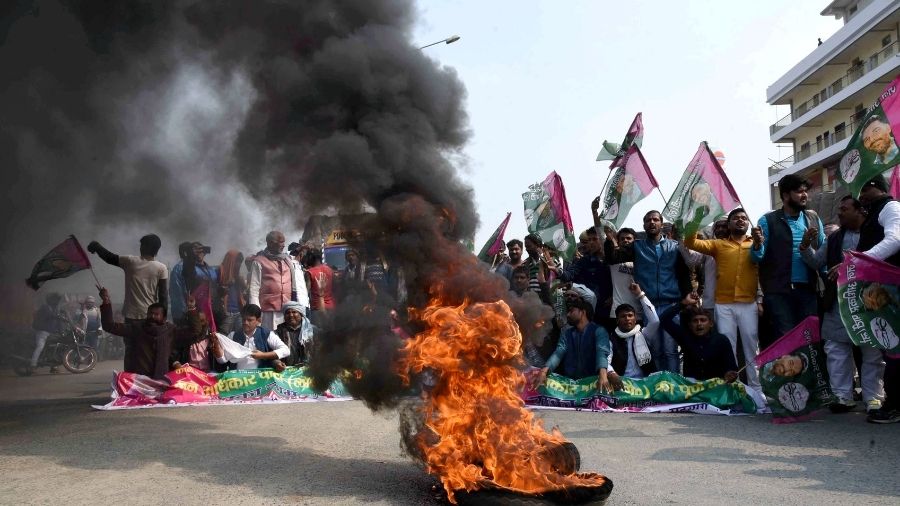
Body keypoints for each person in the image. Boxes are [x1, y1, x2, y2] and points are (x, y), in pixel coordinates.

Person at [800, 195, 884, 412]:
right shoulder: (835, 238)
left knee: (872, 350)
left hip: (871, 302)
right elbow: (817, 262)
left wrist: (851, 266)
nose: (839, 212)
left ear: (860, 211)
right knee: (836, 349)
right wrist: (805, 247)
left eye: (844, 209)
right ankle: (842, 396)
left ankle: (873, 397)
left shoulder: (878, 235)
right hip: (838, 302)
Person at [683, 208, 762, 394]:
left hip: (748, 303)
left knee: (751, 349)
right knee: (728, 348)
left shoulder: (756, 244)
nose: (740, 221)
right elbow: (690, 242)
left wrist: (760, 299)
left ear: (748, 223)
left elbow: (762, 263)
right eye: (736, 218)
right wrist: (698, 218)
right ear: (729, 224)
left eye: (744, 218)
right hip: (723, 304)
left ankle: (757, 391)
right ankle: (734, 390)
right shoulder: (718, 245)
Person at [605, 210, 691, 372]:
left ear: (661, 223)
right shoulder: (637, 246)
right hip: (648, 305)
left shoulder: (674, 247)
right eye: (648, 220)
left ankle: (673, 387)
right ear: (644, 225)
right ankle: (658, 387)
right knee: (656, 350)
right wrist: (610, 241)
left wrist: (688, 298)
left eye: (655, 220)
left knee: (670, 350)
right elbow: (613, 258)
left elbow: (684, 274)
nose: (652, 222)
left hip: (671, 305)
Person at [751, 174, 825, 341]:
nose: (804, 195)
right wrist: (757, 245)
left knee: (810, 339)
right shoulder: (768, 220)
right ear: (785, 195)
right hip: (779, 293)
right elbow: (757, 257)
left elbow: (822, 251)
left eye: (805, 191)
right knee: (787, 339)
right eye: (799, 191)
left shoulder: (812, 217)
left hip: (808, 290)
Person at [855, 175, 900, 423]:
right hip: (884, 291)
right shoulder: (873, 212)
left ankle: (894, 405)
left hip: (894, 288)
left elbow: (895, 240)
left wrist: (860, 260)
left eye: (863, 188)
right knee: (891, 349)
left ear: (877, 187)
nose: (859, 194)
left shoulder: (891, 207)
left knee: (895, 350)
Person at [98, 286, 200, 380]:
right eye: (150, 313)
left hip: (163, 380)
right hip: (140, 381)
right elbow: (109, 326)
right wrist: (106, 302)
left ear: (164, 318)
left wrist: (191, 308)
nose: (152, 316)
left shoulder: (170, 330)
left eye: (156, 314)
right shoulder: (137, 328)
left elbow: (195, 331)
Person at [536, 292, 612, 393]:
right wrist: (544, 371)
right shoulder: (567, 334)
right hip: (570, 386)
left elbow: (601, 353)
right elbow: (558, 353)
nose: (567, 315)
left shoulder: (599, 331)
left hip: (592, 384)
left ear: (583, 312)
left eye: (571, 311)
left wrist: (603, 375)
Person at [87, 234, 168, 329]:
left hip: (131, 316)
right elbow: (163, 296)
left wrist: (96, 246)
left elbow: (109, 258)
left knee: (131, 343)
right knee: (148, 343)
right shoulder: (161, 268)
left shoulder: (131, 261)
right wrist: (163, 318)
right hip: (150, 316)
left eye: (141, 245)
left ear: (144, 247)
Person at [659, 293, 739, 383]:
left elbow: (731, 366)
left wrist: (729, 374)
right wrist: (684, 303)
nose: (699, 324)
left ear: (711, 324)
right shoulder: (685, 337)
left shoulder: (721, 340)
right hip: (692, 389)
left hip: (716, 388)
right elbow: (664, 319)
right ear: (690, 325)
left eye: (703, 320)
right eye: (695, 321)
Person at [558, 227, 613, 325]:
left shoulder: (613, 259)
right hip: (591, 311)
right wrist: (557, 270)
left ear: (602, 239)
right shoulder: (584, 261)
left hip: (611, 310)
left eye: (594, 239)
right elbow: (569, 275)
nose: (591, 243)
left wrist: (614, 296)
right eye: (589, 240)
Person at [215, 303, 290, 370]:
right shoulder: (233, 335)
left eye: (249, 320)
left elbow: (286, 350)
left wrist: (263, 355)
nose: (245, 323)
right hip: (237, 379)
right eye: (243, 319)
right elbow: (222, 360)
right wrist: (217, 348)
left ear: (259, 321)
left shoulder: (266, 334)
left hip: (260, 379)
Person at [608, 282, 657, 382]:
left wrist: (640, 295)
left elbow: (655, 321)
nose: (627, 319)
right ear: (617, 320)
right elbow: (606, 361)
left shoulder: (644, 334)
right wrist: (611, 373)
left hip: (645, 382)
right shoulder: (611, 339)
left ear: (635, 319)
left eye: (630, 315)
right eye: (623, 316)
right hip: (621, 383)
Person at [248, 231, 295, 330]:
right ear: (270, 243)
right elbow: (254, 288)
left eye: (283, 242)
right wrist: (256, 312)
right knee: (270, 338)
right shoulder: (259, 261)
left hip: (287, 309)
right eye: (280, 242)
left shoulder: (287, 260)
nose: (283, 245)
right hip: (268, 312)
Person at [170, 306, 225, 373]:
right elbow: (174, 355)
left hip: (209, 374)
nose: (200, 325)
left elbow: (222, 360)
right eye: (197, 323)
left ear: (206, 321)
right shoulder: (184, 338)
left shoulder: (213, 338)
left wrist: (216, 346)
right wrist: (177, 364)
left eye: (202, 321)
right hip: (190, 374)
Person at [606, 228, 642, 322]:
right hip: (618, 313)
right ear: (618, 241)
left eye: (628, 238)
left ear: (634, 240)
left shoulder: (642, 259)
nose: (625, 240)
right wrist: (610, 238)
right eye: (622, 239)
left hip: (640, 312)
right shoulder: (614, 258)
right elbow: (605, 242)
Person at [29, 293, 66, 374]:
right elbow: (51, 316)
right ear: (50, 300)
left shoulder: (56, 309)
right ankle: (33, 365)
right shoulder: (44, 307)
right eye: (54, 299)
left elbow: (58, 321)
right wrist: (59, 316)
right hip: (42, 332)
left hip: (51, 333)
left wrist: (62, 331)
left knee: (54, 349)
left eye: (57, 300)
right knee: (40, 347)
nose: (56, 301)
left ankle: (54, 367)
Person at [273, 301, 315, 367]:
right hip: (286, 371)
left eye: (294, 312)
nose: (291, 315)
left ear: (301, 314)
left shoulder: (313, 331)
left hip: (310, 370)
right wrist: (277, 363)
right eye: (287, 313)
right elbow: (273, 354)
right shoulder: (277, 333)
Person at [217, 250, 246, 336]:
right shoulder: (219, 272)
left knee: (241, 336)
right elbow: (214, 291)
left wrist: (243, 284)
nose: (239, 265)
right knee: (222, 337)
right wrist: (226, 285)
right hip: (226, 312)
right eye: (237, 262)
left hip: (239, 312)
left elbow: (243, 292)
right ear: (231, 261)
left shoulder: (237, 275)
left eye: (240, 262)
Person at [305, 248, 336, 323]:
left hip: (317, 307)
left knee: (319, 332)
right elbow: (335, 287)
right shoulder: (330, 270)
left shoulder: (309, 272)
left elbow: (306, 291)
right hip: (331, 306)